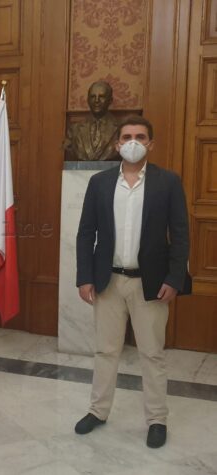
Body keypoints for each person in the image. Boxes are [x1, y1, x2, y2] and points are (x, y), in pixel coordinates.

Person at [74, 115, 191, 448]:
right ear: (117, 144)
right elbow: (86, 233)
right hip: (108, 281)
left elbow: (180, 234)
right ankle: (98, 411)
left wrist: (175, 277)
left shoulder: (168, 182)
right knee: (105, 350)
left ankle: (157, 419)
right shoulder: (99, 183)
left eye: (140, 136)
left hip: (150, 284)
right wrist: (84, 277)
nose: (133, 142)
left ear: (151, 143)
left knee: (152, 354)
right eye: (126, 137)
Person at [64, 81, 119, 161]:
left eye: (101, 96)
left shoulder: (120, 128)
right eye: (93, 96)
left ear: (110, 100)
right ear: (88, 100)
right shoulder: (74, 130)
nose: (96, 100)